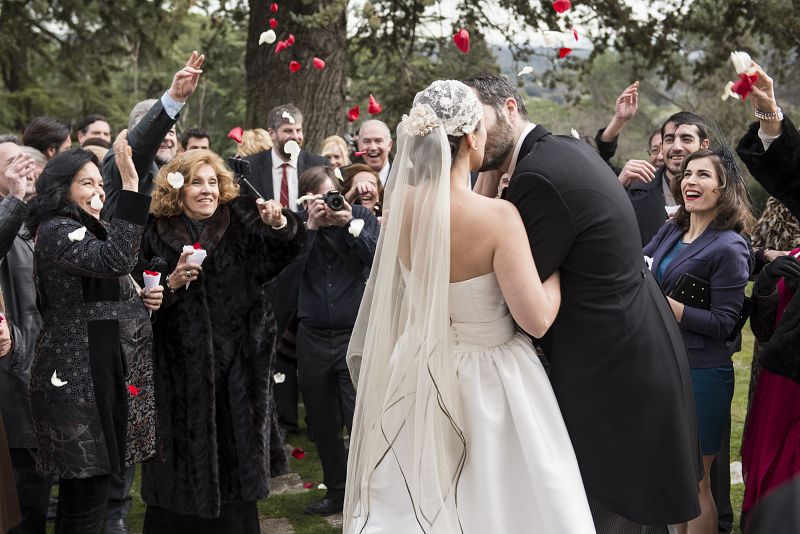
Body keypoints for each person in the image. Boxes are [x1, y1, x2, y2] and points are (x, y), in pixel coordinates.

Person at [345, 80, 595, 533]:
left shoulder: (402, 208)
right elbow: (536, 319)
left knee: (421, 499)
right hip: (492, 378)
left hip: (419, 367)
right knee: (501, 502)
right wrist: (558, 271)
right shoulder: (498, 218)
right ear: (474, 136)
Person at [463, 73, 701, 533]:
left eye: (480, 121)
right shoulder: (558, 151)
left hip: (612, 371)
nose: (472, 135)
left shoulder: (536, 177)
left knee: (614, 511)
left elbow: (518, 299)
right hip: (633, 346)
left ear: (511, 109)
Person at [137, 149, 304, 534]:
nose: (207, 191)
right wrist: (171, 284)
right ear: (177, 187)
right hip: (177, 373)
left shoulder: (241, 224)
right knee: (176, 477)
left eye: (213, 182)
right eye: (197, 182)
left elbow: (279, 257)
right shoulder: (154, 231)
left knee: (236, 481)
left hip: (238, 372)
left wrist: (280, 225)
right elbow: (143, 296)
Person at [25, 134, 163, 534]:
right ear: (60, 188)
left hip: (96, 374)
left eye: (101, 184)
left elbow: (109, 280)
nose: (98, 191)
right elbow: (116, 258)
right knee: (86, 504)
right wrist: (132, 185)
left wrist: (141, 299)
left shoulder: (83, 228)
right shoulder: (57, 229)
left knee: (83, 502)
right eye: (87, 182)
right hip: (78, 382)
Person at [643, 149, 752, 534]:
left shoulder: (730, 246)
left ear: (723, 189)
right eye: (688, 174)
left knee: (696, 481)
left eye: (703, 175)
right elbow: (643, 266)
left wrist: (669, 307)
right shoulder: (673, 228)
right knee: (673, 477)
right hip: (663, 363)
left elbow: (725, 323)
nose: (691, 181)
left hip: (703, 373)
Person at [277, 166, 379, 516]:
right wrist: (308, 230)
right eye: (319, 199)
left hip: (354, 334)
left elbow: (376, 261)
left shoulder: (360, 216)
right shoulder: (294, 227)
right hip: (313, 337)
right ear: (306, 200)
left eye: (332, 195)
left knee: (360, 418)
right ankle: (337, 491)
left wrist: (347, 225)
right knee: (321, 423)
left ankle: (370, 492)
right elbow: (285, 280)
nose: (328, 204)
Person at [0, 136, 52, 534]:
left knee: (37, 492)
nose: (23, 167)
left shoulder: (42, 219)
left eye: (24, 159)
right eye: (11, 163)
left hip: (49, 367)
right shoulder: (9, 215)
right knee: (18, 496)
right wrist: (15, 199)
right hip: (14, 373)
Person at [101, 51, 205, 220]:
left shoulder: (182, 172)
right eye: (158, 132)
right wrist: (174, 99)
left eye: (170, 132)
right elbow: (141, 145)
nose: (166, 138)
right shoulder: (122, 160)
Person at [741, 248, 800, 528]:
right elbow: (764, 331)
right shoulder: (795, 255)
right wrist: (765, 285)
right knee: (770, 458)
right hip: (777, 384)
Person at [620, 112, 711, 245]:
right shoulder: (634, 195)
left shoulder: (723, 192)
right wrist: (618, 186)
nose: (676, 147)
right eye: (669, 139)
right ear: (662, 147)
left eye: (686, 139)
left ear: (704, 145)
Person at [243, 104, 327, 209]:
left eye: (298, 130)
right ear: (272, 134)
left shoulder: (318, 165)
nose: (296, 136)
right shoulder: (250, 167)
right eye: (288, 131)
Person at [356, 120, 392, 184]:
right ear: (359, 146)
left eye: (378, 141)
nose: (373, 148)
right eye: (367, 141)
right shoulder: (349, 178)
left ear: (389, 145)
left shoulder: (403, 177)